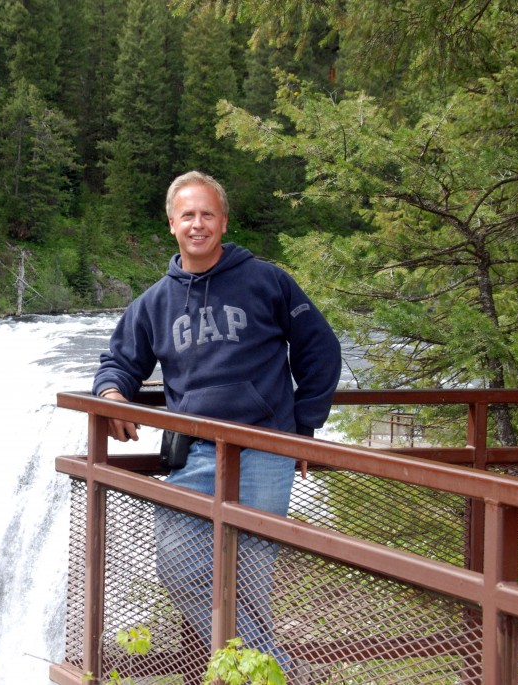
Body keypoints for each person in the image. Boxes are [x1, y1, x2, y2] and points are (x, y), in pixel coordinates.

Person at [92, 170, 342, 672]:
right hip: (195, 453)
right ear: (172, 224)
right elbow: (119, 362)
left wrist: (305, 429)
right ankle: (279, 674)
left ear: (223, 221)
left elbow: (320, 347)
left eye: (208, 214)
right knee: (180, 567)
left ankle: (253, 676)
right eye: (188, 215)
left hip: (265, 449)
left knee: (250, 583)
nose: (198, 224)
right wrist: (111, 395)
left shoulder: (267, 281)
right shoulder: (154, 302)